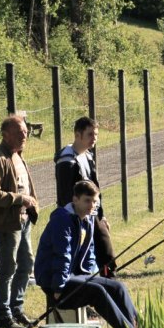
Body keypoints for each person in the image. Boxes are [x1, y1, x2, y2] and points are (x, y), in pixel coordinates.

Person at [34, 180, 137, 328]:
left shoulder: (87, 219)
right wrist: (58, 288)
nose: (92, 205)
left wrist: (91, 276)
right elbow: (62, 256)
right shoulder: (62, 220)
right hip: (53, 281)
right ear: (75, 200)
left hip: (74, 276)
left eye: (95, 201)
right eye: (87, 200)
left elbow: (89, 254)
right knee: (98, 292)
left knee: (117, 286)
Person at [0, 115, 39, 328]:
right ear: (6, 135)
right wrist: (19, 199)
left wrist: (31, 204)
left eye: (26, 132)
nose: (24, 135)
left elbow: (26, 187)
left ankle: (17, 309)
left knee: (26, 264)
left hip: (23, 221)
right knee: (8, 268)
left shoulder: (17, 155)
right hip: (6, 224)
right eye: (19, 133)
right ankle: (3, 316)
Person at [55, 117, 116, 276]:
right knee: (79, 253)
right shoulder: (67, 160)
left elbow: (95, 188)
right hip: (77, 216)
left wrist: (101, 215)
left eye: (95, 134)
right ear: (78, 135)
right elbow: (65, 196)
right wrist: (76, 219)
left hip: (92, 212)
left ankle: (108, 277)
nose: (94, 138)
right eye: (90, 134)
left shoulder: (88, 156)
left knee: (104, 247)